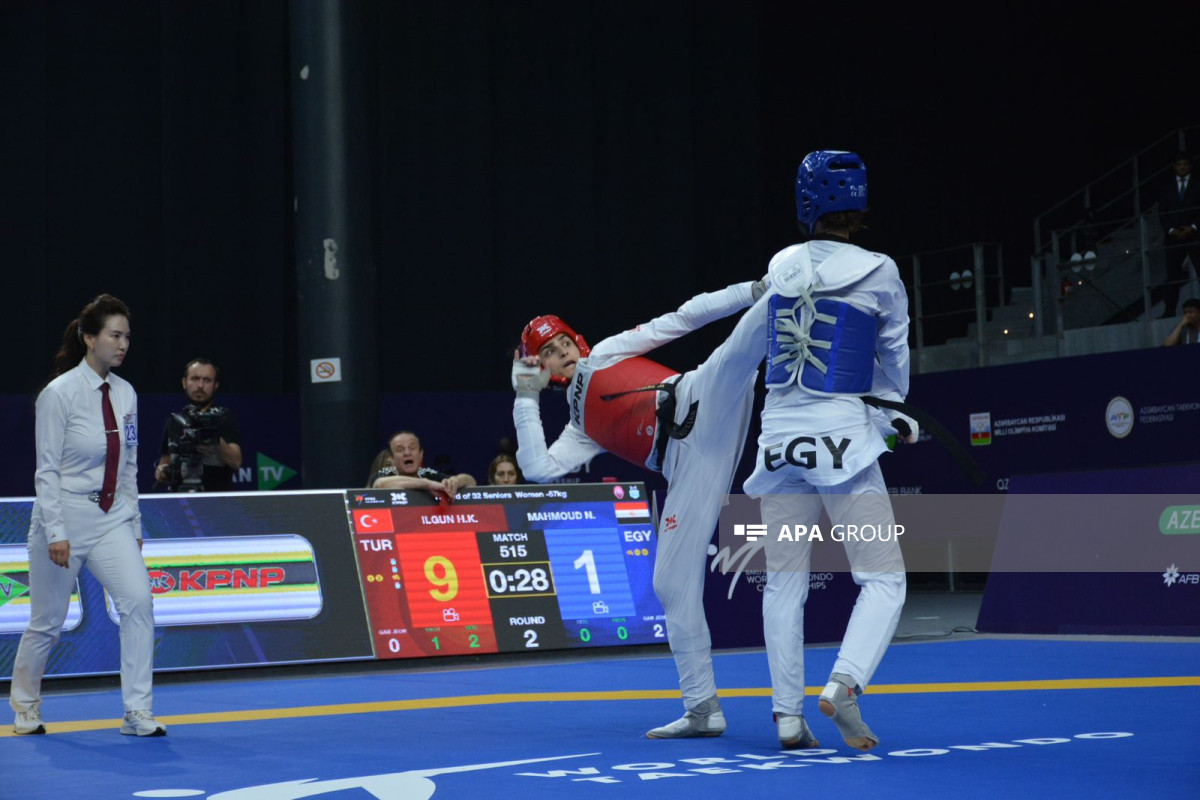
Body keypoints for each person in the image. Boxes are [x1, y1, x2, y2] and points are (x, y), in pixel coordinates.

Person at [511, 275, 768, 739]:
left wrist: (753, 290)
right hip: (690, 465)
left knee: (737, 350)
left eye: (565, 342)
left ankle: (784, 285)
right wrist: (525, 399)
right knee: (669, 583)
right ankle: (702, 709)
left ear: (580, 342)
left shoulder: (607, 351)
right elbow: (537, 468)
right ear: (540, 369)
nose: (562, 352)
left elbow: (682, 318)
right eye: (548, 352)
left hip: (700, 401)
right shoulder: (579, 430)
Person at [739, 150, 915, 752]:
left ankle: (787, 717)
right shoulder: (880, 269)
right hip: (841, 449)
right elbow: (893, 355)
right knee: (883, 580)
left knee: (784, 581)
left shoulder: (782, 262)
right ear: (860, 207)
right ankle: (845, 683)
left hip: (781, 450)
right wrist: (890, 411)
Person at [11, 294, 166, 736]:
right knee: (47, 621)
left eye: (127, 337)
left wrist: (133, 524)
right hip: (64, 516)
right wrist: (56, 531)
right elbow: (46, 470)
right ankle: (25, 706)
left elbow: (131, 464)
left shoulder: (127, 393)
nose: (123, 345)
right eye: (114, 336)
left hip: (113, 516)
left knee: (138, 602)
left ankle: (138, 711)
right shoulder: (57, 394)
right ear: (88, 338)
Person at [153, 358, 243, 492]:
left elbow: (236, 462)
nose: (200, 385)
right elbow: (164, 464)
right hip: (180, 498)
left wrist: (214, 438)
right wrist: (161, 471)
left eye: (207, 380)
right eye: (195, 379)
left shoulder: (223, 418)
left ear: (215, 385)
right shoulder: (175, 421)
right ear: (184, 383)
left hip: (216, 500)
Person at [1154, 151, 1200, 318]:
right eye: (1179, 164)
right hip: (1174, 237)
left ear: (1190, 166)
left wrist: (1193, 227)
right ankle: (1170, 310)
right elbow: (1162, 212)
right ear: (1174, 167)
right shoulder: (1167, 188)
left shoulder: (1197, 184)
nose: (1182, 167)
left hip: (1195, 235)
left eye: (1185, 164)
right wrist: (1172, 230)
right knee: (1172, 276)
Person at [369, 431, 476, 498]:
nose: (407, 453)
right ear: (391, 458)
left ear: (421, 454)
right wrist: (426, 484)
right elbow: (380, 484)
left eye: (412, 448)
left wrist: (456, 481)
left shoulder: (426, 473)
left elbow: (470, 480)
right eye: (400, 449)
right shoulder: (385, 474)